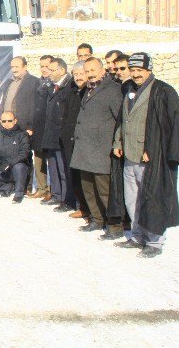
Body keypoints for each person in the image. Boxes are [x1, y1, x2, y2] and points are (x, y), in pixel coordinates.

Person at [111, 53, 179, 258]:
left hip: (150, 158)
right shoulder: (130, 90)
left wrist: (156, 149)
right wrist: (117, 142)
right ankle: (138, 235)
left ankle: (154, 241)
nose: (135, 74)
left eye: (139, 70)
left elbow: (172, 125)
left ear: (149, 70)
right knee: (132, 198)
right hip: (130, 155)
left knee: (151, 199)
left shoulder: (163, 91)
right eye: (132, 70)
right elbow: (123, 120)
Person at [70, 57, 124, 239]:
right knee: (88, 189)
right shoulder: (88, 89)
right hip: (84, 149)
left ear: (102, 71)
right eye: (86, 71)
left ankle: (114, 225)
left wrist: (118, 143)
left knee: (105, 190)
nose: (89, 74)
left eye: (93, 70)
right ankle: (96, 219)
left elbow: (121, 120)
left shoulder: (113, 90)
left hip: (102, 150)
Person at [0, 57, 43, 197]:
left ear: (25, 66)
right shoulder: (9, 82)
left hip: (24, 127)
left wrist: (31, 126)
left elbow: (35, 106)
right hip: (7, 126)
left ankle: (26, 186)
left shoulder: (33, 81)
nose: (14, 69)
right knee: (9, 154)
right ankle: (12, 182)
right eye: (12, 67)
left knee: (25, 156)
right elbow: (3, 103)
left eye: (17, 66)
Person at [41, 58, 73, 211]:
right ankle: (57, 194)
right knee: (53, 166)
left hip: (61, 135)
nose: (49, 73)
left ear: (62, 70)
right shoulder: (53, 87)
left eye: (52, 70)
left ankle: (66, 199)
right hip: (50, 134)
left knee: (63, 168)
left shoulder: (68, 86)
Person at [59, 62, 90, 221]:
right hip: (69, 139)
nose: (78, 77)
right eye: (76, 74)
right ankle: (82, 206)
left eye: (81, 74)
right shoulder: (71, 91)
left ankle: (89, 209)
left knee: (84, 177)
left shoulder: (90, 92)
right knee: (73, 175)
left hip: (83, 141)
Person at [0, 111, 30, 203]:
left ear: (15, 121)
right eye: (4, 121)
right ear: (0, 122)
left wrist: (10, 163)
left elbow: (24, 153)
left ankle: (18, 193)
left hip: (17, 167)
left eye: (9, 121)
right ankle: (8, 186)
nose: (7, 123)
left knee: (19, 167)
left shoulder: (22, 134)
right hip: (3, 168)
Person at [30, 55, 53, 202]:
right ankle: (41, 187)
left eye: (47, 66)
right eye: (42, 66)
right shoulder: (38, 82)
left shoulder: (56, 83)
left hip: (50, 127)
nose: (44, 69)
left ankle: (53, 189)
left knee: (52, 160)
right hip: (38, 127)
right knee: (38, 158)